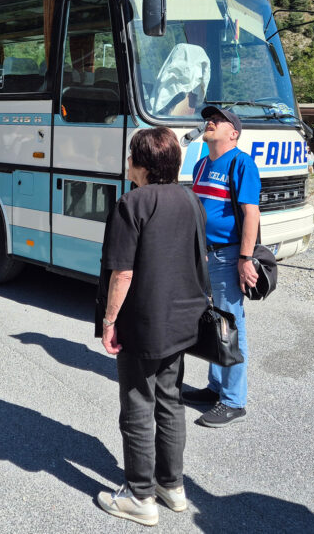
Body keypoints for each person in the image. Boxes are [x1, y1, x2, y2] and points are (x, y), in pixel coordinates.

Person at [95, 127, 207, 526]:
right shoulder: (190, 199)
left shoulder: (132, 203)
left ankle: (140, 495)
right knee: (170, 401)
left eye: (130, 157)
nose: (127, 164)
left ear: (141, 164)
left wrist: (109, 321)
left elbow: (121, 273)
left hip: (143, 322)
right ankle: (171, 486)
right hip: (182, 319)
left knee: (138, 407)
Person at [184, 105, 261, 428]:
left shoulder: (242, 164)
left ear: (234, 133)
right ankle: (215, 386)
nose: (210, 122)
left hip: (228, 257)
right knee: (213, 322)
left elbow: (251, 214)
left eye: (218, 120)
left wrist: (245, 259)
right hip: (203, 254)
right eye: (209, 119)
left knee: (231, 325)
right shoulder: (201, 164)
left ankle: (233, 400)